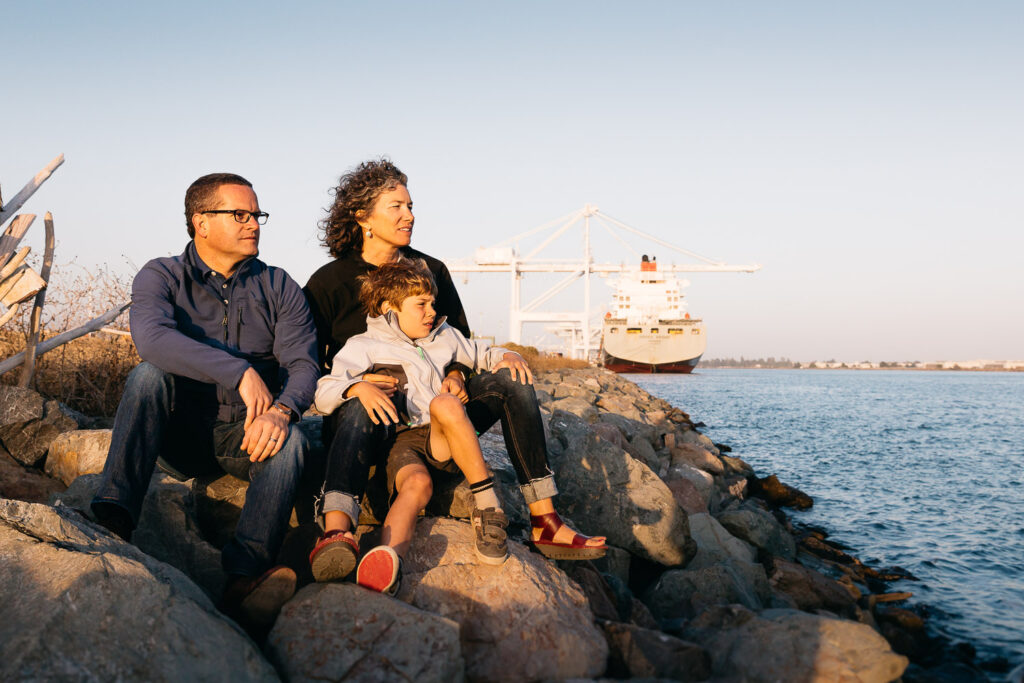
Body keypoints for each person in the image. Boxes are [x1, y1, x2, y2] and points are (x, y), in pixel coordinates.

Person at [303, 159, 606, 581]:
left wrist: (461, 374)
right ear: (362, 217)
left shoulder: (431, 271)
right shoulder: (329, 282)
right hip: (375, 422)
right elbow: (309, 364)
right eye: (396, 206)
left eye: (411, 205)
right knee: (362, 404)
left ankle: (545, 520)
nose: (409, 215)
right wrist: (356, 384)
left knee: (510, 380)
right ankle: (338, 533)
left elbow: (460, 341)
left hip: (444, 417)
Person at [90, 173, 319, 631]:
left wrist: (283, 408)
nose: (254, 223)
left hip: (244, 436)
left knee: (291, 442)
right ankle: (114, 519)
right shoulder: (163, 274)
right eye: (240, 214)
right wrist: (238, 370)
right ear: (201, 222)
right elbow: (151, 340)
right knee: (148, 375)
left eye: (257, 214)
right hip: (178, 433)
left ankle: (243, 577)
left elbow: (304, 363)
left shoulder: (279, 285)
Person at [313, 260, 514, 592]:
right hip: (402, 444)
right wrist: (357, 385)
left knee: (446, 403)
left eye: (432, 303)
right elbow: (323, 393)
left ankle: (487, 502)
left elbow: (481, 353)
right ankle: (386, 561)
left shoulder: (445, 336)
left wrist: (507, 355)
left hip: (443, 435)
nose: (431, 311)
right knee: (417, 485)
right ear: (389, 308)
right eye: (421, 304)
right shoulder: (363, 346)